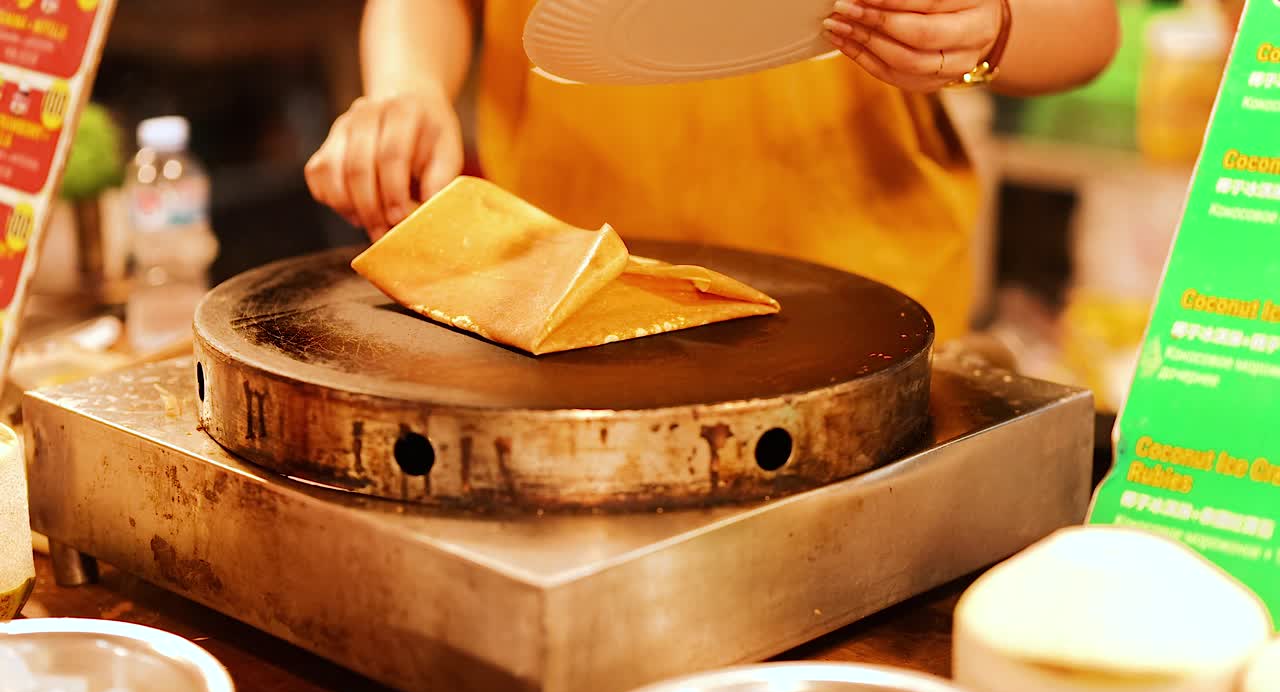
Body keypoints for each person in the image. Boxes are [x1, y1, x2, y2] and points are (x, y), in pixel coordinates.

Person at [305, 0, 1119, 342]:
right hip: (572, 294)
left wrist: (994, 24)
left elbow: (1088, 28)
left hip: (864, 309)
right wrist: (408, 86)